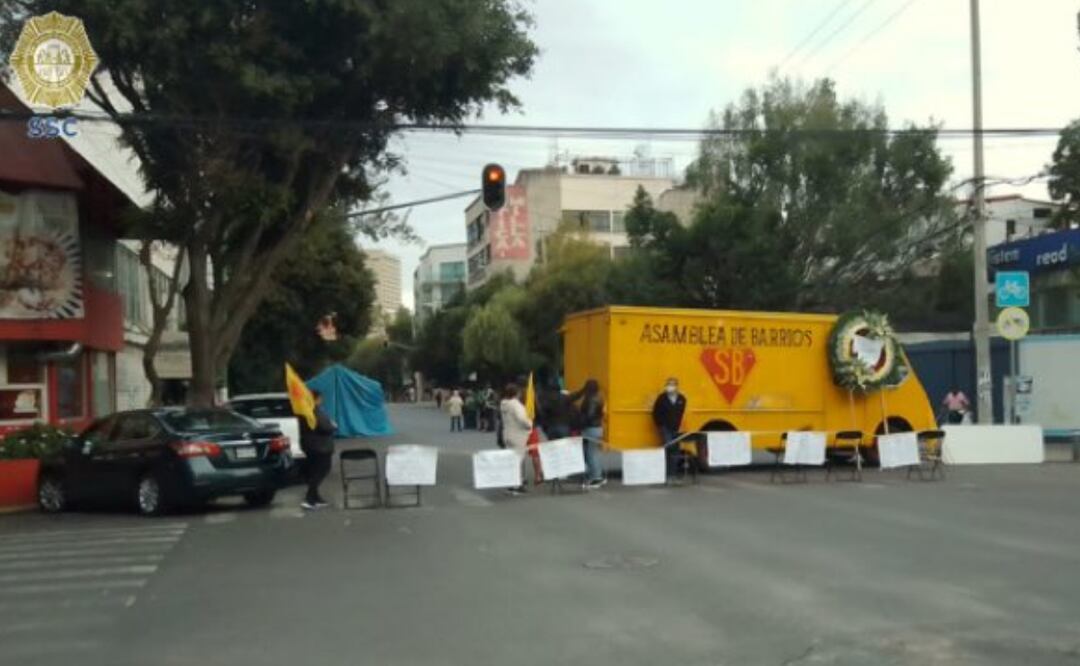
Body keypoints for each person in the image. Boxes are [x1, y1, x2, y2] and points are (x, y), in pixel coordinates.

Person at [299, 390, 337, 510]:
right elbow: (325, 426)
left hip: (309, 445)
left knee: (315, 471)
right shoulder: (314, 411)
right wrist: (333, 425)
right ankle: (309, 499)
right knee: (322, 470)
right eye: (320, 398)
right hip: (320, 446)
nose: (321, 400)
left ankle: (316, 498)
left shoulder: (304, 411)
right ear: (315, 399)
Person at [500, 383, 533, 495]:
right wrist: (529, 424)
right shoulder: (515, 405)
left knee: (511, 460)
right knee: (518, 461)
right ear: (517, 393)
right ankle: (516, 485)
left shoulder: (503, 404)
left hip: (508, 433)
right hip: (518, 435)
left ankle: (510, 484)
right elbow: (522, 419)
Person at [652, 377, 688, 476]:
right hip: (665, 427)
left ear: (676, 386)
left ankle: (673, 471)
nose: (670, 387)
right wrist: (660, 424)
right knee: (669, 446)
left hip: (676, 427)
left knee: (676, 448)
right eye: (668, 384)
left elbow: (681, 413)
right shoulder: (661, 398)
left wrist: (679, 424)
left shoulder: (682, 399)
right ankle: (666, 471)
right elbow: (655, 412)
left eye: (672, 384)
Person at [576, 379, 606, 488]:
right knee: (594, 453)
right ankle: (597, 476)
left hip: (591, 428)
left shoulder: (591, 400)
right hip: (597, 428)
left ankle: (595, 478)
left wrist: (580, 421)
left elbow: (589, 415)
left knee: (591, 454)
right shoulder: (598, 397)